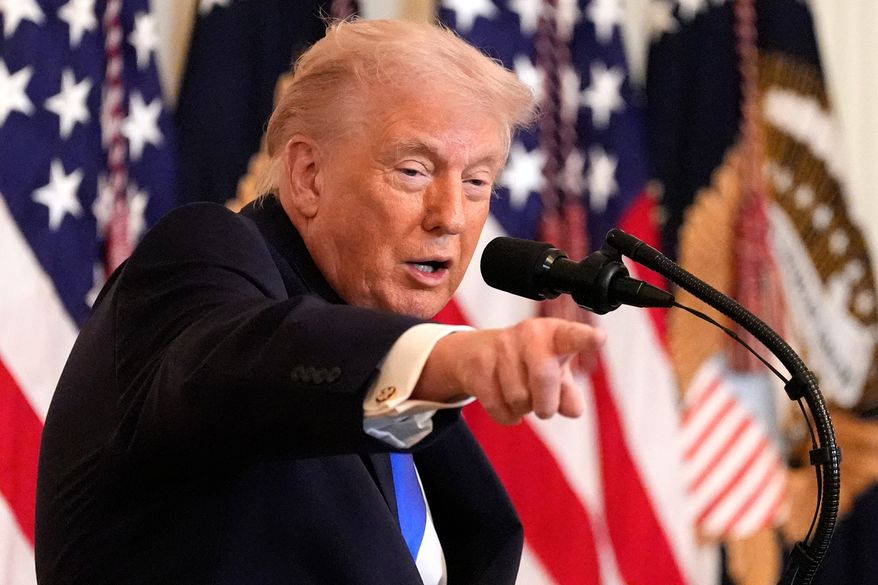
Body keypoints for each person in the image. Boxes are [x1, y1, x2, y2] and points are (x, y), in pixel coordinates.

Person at [35, 19, 606, 585]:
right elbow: (243, 361)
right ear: (308, 176)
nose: (451, 217)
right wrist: (451, 360)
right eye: (413, 171)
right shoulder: (205, 254)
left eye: (477, 181)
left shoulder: (403, 384)